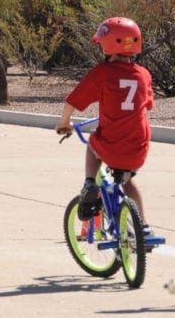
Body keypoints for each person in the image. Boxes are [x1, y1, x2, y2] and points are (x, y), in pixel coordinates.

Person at [54, 16, 156, 233]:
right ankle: (144, 226)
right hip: (138, 148)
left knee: (93, 143)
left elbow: (72, 101)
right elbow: (147, 105)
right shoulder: (144, 75)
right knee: (128, 182)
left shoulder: (102, 73)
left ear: (108, 46)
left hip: (111, 145)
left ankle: (89, 183)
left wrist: (64, 123)